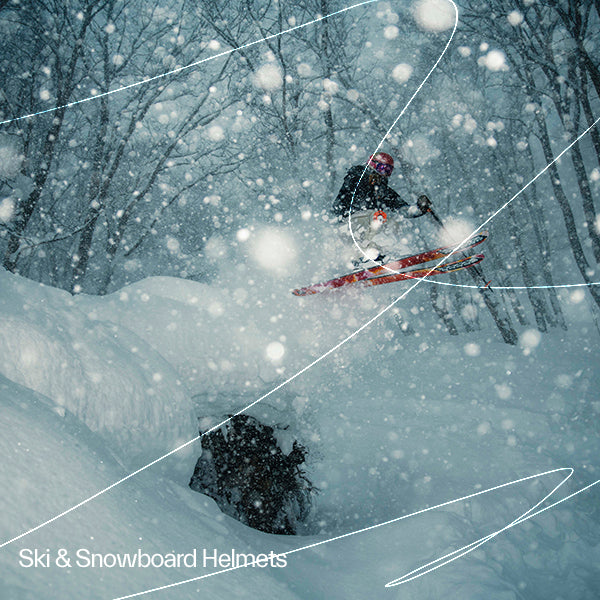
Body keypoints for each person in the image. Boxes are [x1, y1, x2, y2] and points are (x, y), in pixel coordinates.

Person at [331, 152, 432, 263]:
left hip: (363, 227)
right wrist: (367, 178)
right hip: (347, 224)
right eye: (382, 168)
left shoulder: (382, 190)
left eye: (388, 171)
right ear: (372, 165)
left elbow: (403, 209)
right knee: (377, 217)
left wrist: (420, 208)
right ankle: (365, 256)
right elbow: (347, 195)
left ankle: (384, 255)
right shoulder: (357, 177)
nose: (384, 173)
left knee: (392, 223)